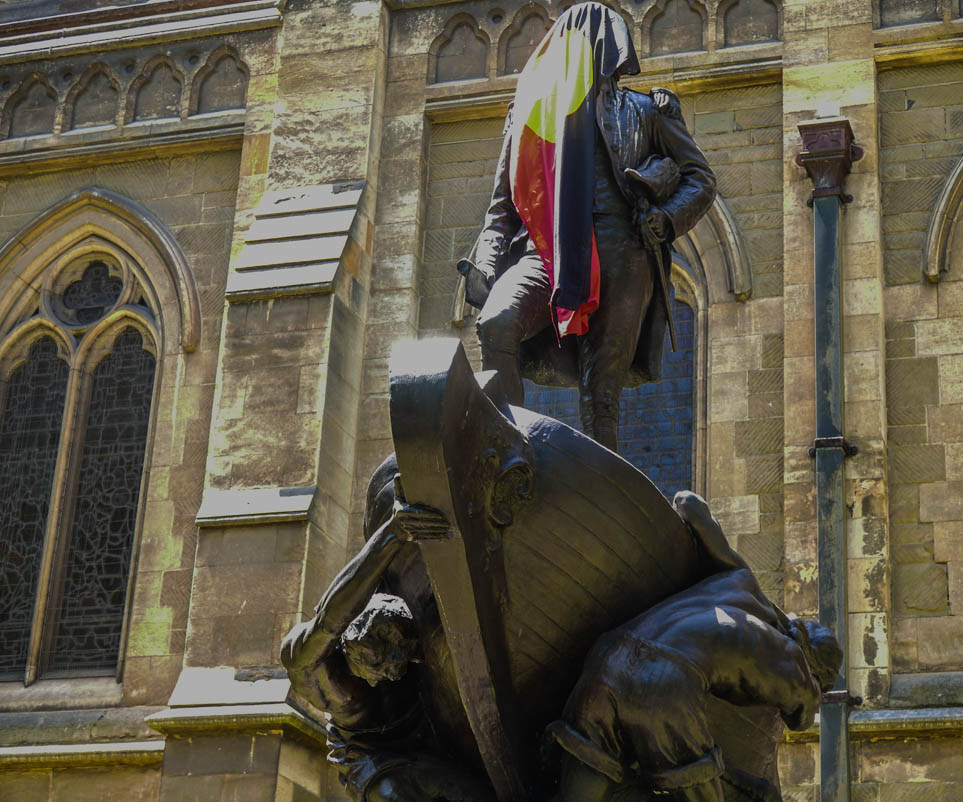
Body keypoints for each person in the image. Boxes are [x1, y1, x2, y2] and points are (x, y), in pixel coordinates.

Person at [459, 1, 715, 450]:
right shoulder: (530, 116)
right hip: (547, 252)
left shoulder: (647, 110)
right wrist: (486, 263)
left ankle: (603, 488)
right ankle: (507, 451)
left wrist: (666, 218)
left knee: (601, 398)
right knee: (497, 323)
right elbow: (502, 208)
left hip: (622, 255)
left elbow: (700, 178)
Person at [545, 495, 842, 802]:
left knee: (581, 784)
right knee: (698, 783)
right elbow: (801, 717)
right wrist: (812, 689)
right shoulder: (793, 660)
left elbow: (689, 504)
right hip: (665, 682)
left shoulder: (741, 578)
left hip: (608, 655)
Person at [280, 460, 492, 802]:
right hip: (369, 756)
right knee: (393, 796)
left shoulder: (407, 630)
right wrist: (392, 533)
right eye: (379, 665)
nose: (391, 675)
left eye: (399, 666)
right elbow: (328, 620)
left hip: (430, 742)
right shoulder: (316, 668)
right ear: (351, 642)